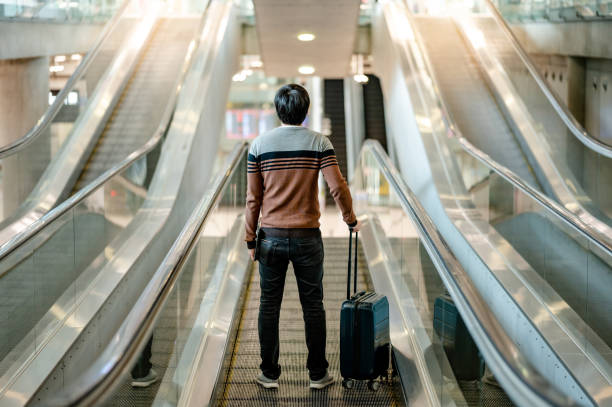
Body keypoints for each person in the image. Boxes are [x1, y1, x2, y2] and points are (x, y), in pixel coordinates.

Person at [245, 83, 361, 390]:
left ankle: (269, 373)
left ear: (277, 109)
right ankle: (317, 374)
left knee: (268, 306)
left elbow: (253, 200)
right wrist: (350, 220)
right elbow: (338, 187)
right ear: (305, 111)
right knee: (313, 306)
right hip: (308, 237)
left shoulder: (258, 145)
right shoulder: (319, 142)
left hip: (269, 237)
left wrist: (250, 240)